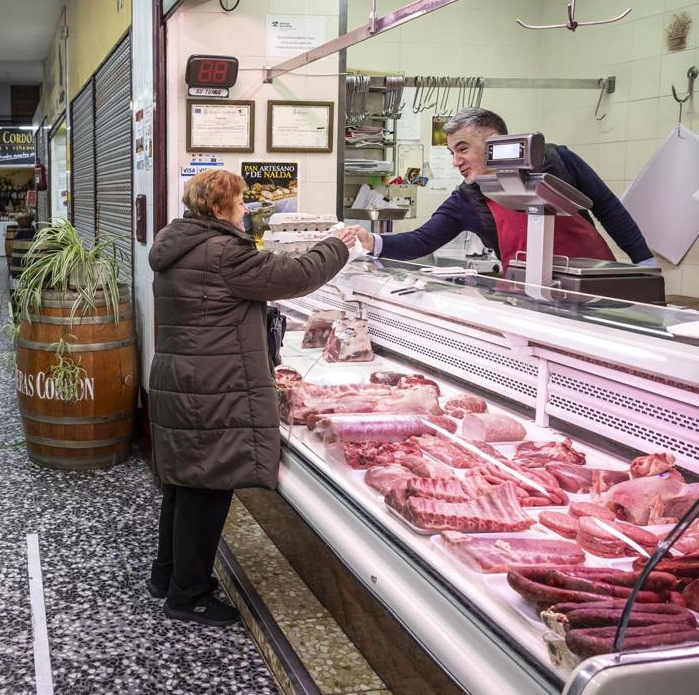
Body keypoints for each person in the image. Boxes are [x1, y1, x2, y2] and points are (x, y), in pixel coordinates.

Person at [147, 168, 355, 627]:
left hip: (182, 379)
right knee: (208, 490)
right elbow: (295, 275)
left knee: (183, 488)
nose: (245, 211)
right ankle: (189, 596)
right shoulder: (223, 252)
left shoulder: (177, 244)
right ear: (221, 208)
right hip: (212, 387)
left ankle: (168, 577)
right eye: (241, 203)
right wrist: (339, 243)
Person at [345, 108, 656, 273]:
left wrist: (644, 265)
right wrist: (371, 240)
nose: (456, 162)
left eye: (462, 149)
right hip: (529, 299)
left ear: (493, 141)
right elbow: (422, 241)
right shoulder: (466, 198)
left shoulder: (557, 160)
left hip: (597, 285)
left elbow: (608, 207)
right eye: (452, 152)